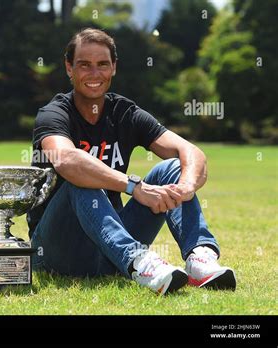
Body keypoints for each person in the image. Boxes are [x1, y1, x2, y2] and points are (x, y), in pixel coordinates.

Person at [27, 28, 236, 295]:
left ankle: (200, 258)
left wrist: (185, 186)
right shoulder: (54, 114)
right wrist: (134, 187)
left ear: (114, 67)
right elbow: (68, 160)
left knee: (172, 168)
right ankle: (140, 263)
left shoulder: (124, 113)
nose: (94, 74)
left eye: (103, 64)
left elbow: (190, 152)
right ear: (69, 68)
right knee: (82, 180)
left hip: (108, 247)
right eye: (84, 65)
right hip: (58, 249)